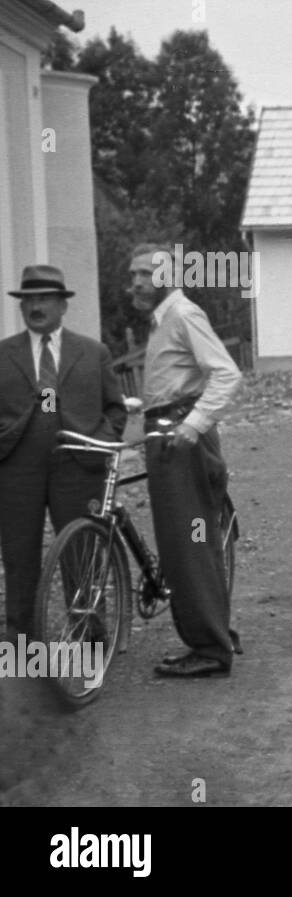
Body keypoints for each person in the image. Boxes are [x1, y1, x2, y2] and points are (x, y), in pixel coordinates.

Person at [128, 243, 243, 678]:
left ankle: (211, 650)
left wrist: (192, 426)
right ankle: (213, 634)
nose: (136, 282)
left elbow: (227, 374)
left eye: (145, 273)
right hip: (166, 436)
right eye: (133, 274)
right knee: (187, 546)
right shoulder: (162, 320)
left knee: (189, 547)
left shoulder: (182, 314)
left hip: (182, 444)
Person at [0, 265, 126, 641]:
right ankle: (21, 642)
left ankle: (90, 636)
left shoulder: (92, 352)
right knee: (19, 557)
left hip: (78, 466)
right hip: (17, 468)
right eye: (29, 300)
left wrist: (96, 444)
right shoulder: (3, 354)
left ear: (62, 305)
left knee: (82, 551)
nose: (36, 306)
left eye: (44, 299)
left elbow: (116, 409)